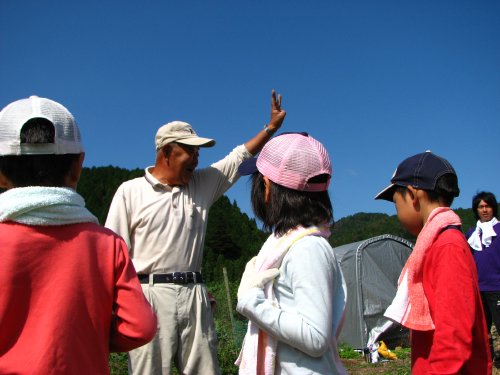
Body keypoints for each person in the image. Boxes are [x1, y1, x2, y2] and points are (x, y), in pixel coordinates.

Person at [105, 91, 286, 375]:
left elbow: (239, 157)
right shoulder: (130, 192)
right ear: (166, 151)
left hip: (195, 294)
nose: (196, 159)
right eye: (190, 151)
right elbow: (112, 256)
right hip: (148, 295)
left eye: (199, 152)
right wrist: (118, 308)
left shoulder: (201, 184)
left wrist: (270, 128)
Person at [0, 96, 157, 375]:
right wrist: (86, 337)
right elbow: (140, 327)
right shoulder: (107, 244)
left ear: (0, 174)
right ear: (78, 165)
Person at [235, 132, 348, 375]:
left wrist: (250, 302)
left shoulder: (307, 249)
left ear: (266, 188)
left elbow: (315, 337)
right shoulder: (293, 246)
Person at [375, 151, 491, 374]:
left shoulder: (447, 246)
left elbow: (453, 336)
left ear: (412, 195)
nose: (397, 212)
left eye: (396, 203)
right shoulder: (437, 244)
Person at [466, 191, 500, 366]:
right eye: (481, 207)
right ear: (476, 210)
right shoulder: (472, 233)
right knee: (482, 329)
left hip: (497, 287)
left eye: (488, 206)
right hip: (478, 289)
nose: (485, 210)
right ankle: (488, 359)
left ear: (493, 208)